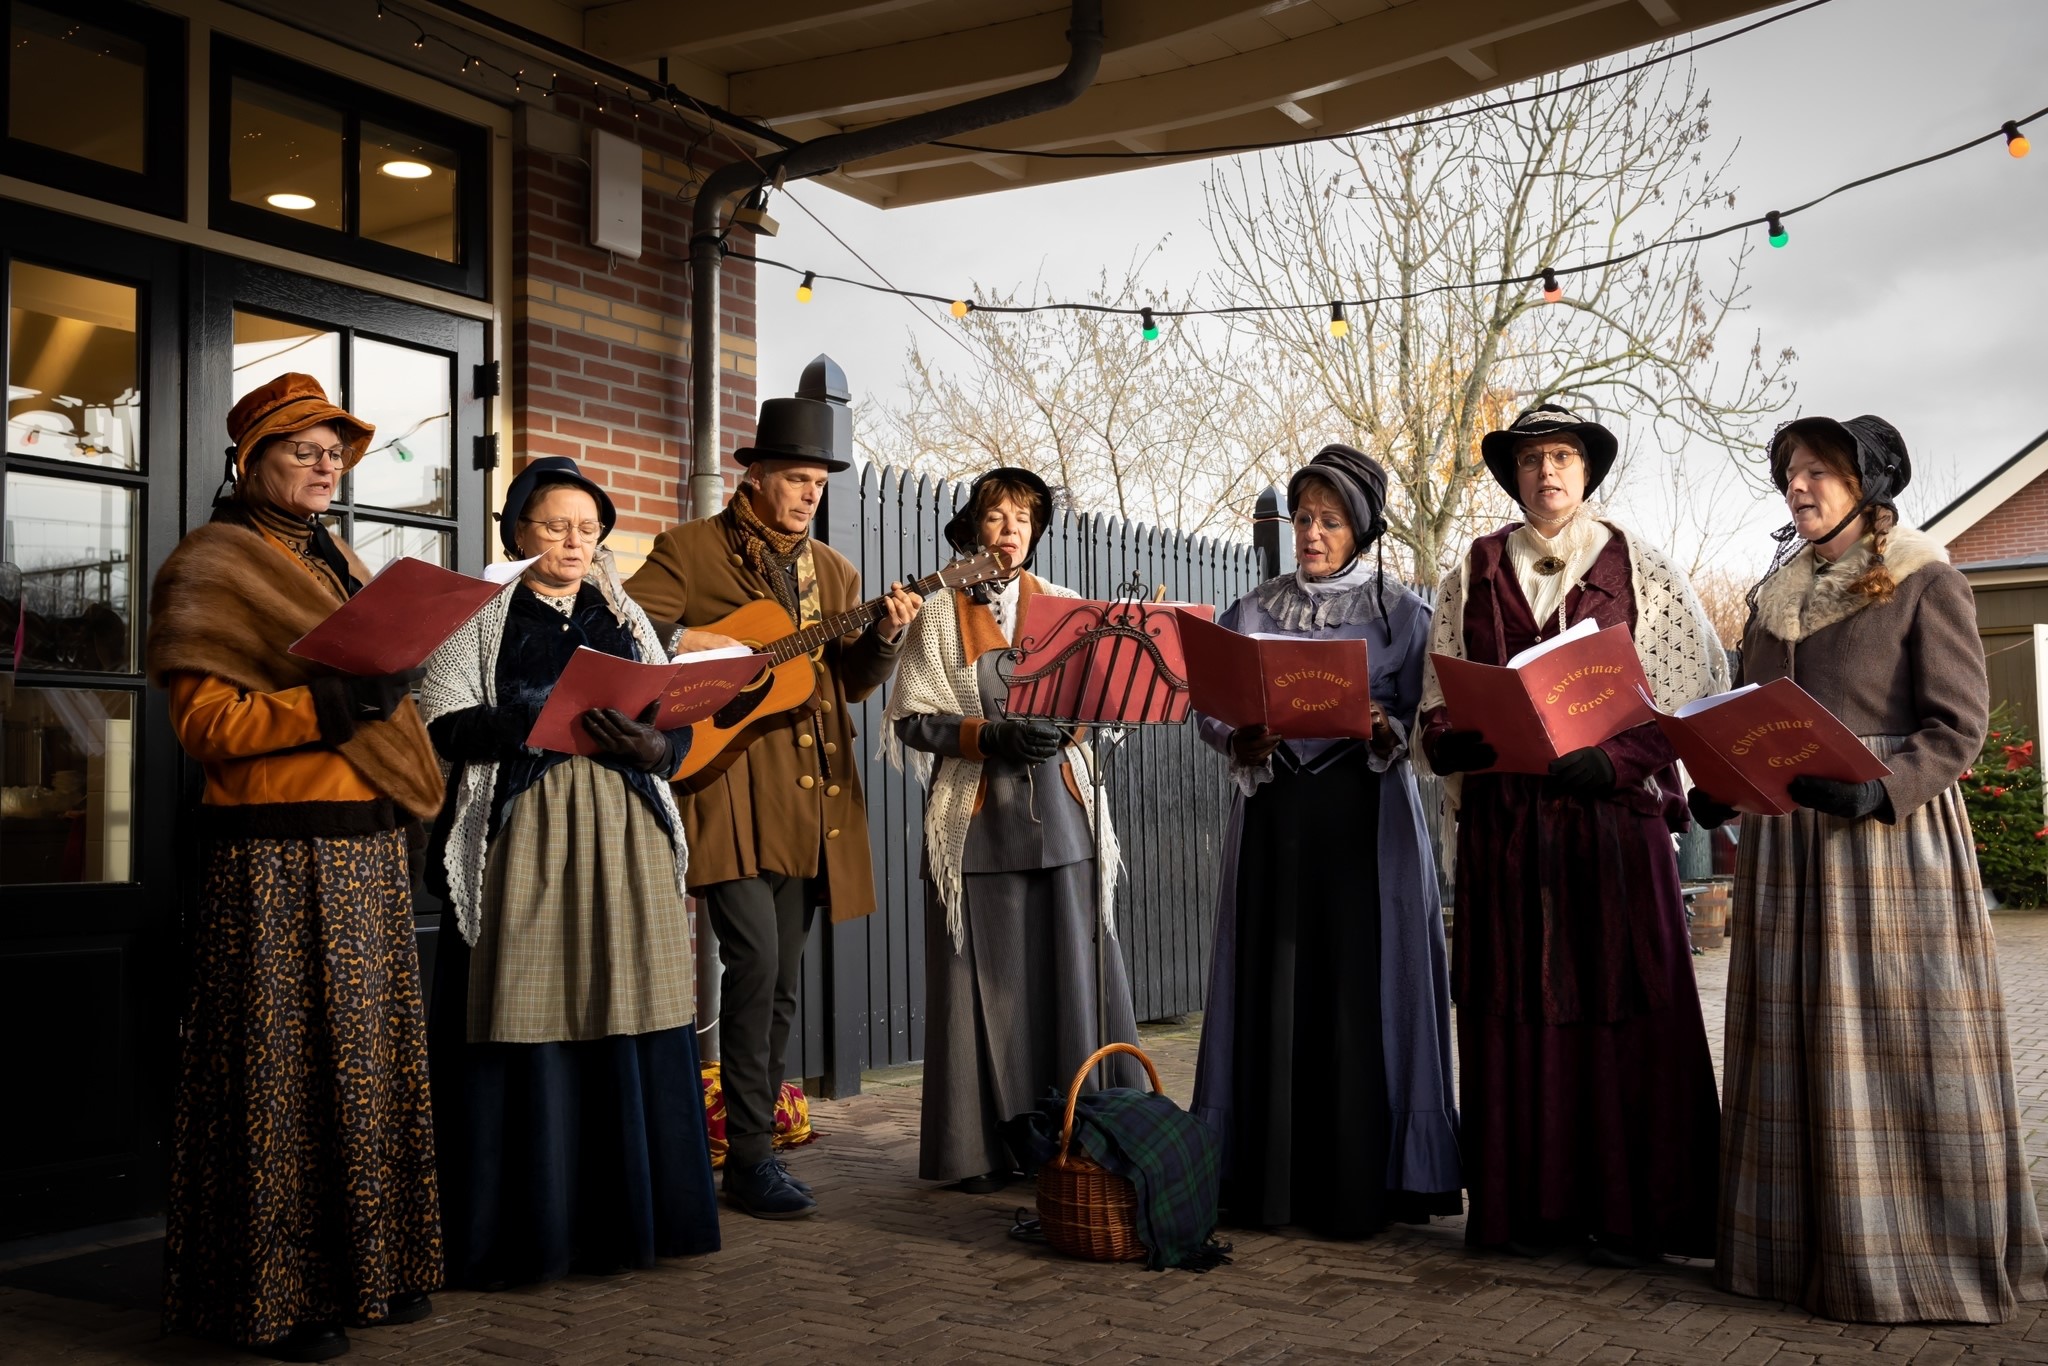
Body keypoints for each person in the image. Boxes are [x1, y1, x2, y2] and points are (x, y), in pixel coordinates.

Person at [1696, 415, 2048, 1322]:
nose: (1799, 488)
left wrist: (1880, 789)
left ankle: (1911, 1256)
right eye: (1790, 475)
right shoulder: (1773, 593)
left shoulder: (1925, 579)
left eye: (1819, 473)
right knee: (1790, 1045)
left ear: (1869, 485)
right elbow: (1753, 715)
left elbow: (1959, 728)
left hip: (1886, 844)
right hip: (1785, 848)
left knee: (1897, 1041)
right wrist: (1720, 790)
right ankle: (1791, 1254)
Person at [146, 373, 444, 1362]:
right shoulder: (210, 564)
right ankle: (276, 1295)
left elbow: (368, 684)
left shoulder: (341, 560)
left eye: (335, 451)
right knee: (281, 1072)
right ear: (249, 459)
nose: (325, 465)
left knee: (364, 1066)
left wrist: (386, 681)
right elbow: (205, 727)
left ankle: (372, 1269)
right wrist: (326, 705)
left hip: (364, 846)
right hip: (273, 855)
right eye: (302, 448)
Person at [1418, 403, 1725, 1265]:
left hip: (1611, 835)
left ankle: (1636, 1218)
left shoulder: (1641, 568)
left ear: (1587, 471)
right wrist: (1460, 741)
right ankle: (1526, 1212)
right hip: (1510, 830)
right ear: (1512, 477)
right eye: (1529, 461)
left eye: (1561, 457)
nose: (1546, 472)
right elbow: (1437, 702)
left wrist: (1622, 763)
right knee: (1513, 1003)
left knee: (1624, 1002)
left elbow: (1687, 691)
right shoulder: (1473, 571)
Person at [418, 456, 721, 1286]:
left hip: (626, 832)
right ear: (516, 532)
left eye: (588, 528)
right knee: (529, 1007)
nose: (573, 541)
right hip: (528, 830)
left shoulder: (624, 617)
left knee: (633, 1002)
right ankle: (530, 1230)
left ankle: (628, 1222)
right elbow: (439, 720)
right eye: (554, 525)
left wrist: (659, 745)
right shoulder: (478, 614)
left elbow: (673, 720)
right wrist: (531, 716)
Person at [626, 395, 920, 1218]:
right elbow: (628, 626)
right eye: (793, 479)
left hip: (810, 798)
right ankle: (747, 1157)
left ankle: (755, 1148)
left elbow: (848, 683)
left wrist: (888, 638)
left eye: (817, 483)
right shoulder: (688, 550)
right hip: (726, 789)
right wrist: (696, 641)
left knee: (783, 977)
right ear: (752, 476)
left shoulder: (834, 573)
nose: (806, 495)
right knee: (754, 961)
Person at [1190, 445, 1462, 1237]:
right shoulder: (1252, 608)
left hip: (1364, 819)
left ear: (1361, 531)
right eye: (1305, 518)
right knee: (1272, 978)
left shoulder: (1404, 613)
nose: (1312, 533)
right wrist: (1234, 738)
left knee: (1355, 988)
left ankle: (1360, 1183)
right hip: (1275, 815)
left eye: (1330, 520)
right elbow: (1212, 704)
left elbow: (1428, 719)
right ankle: (1268, 1179)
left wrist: (1388, 725)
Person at [882, 467, 1143, 1191]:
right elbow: (911, 718)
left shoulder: (1062, 607)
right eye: (995, 517)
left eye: (1023, 519)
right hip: (975, 823)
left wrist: (1071, 727)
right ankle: (979, 1150)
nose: (1009, 531)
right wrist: (987, 738)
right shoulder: (937, 612)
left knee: (1074, 969)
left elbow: (1102, 704)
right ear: (972, 528)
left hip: (1065, 816)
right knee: (979, 985)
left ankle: (1086, 1135)